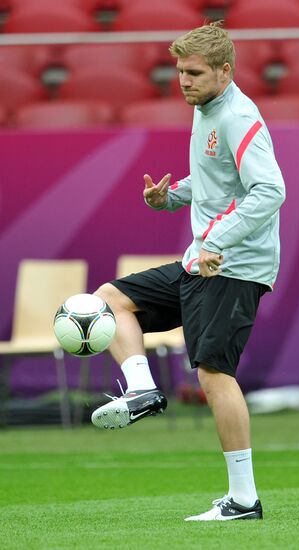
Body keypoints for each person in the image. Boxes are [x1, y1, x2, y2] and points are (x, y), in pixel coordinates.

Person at [91, 21, 286, 521]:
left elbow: (270, 191)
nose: (184, 81)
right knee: (109, 301)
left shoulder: (238, 116)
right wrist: (171, 196)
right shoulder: (206, 109)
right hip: (201, 259)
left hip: (234, 265)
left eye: (195, 72)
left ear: (225, 70)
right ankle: (142, 391)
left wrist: (215, 241)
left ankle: (243, 500)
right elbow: (217, 183)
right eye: (179, 71)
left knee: (214, 372)